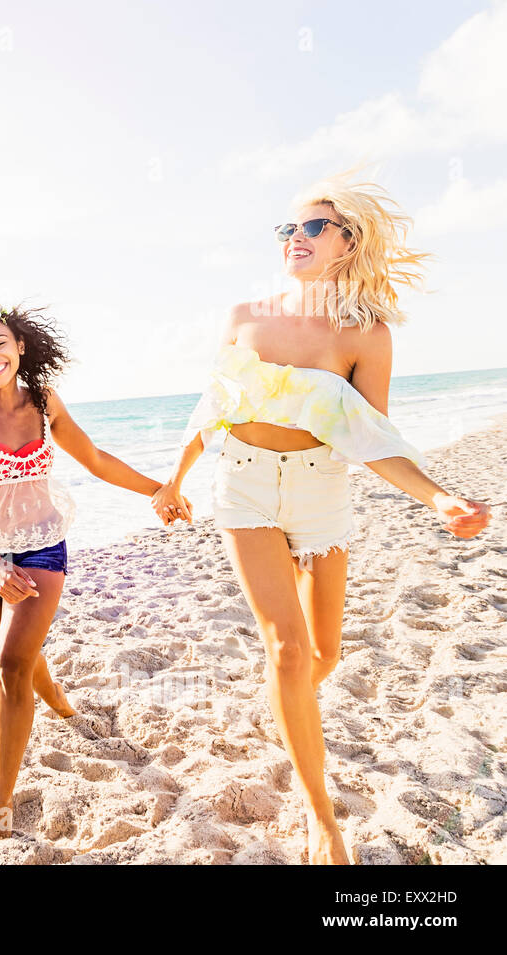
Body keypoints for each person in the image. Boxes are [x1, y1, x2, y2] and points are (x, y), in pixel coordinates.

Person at [151, 175, 492, 864]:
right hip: (242, 485)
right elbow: (213, 404)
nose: (295, 239)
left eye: (312, 228)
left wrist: (438, 498)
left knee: (323, 654)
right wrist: (175, 476)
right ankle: (321, 818)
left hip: (321, 489)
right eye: (287, 229)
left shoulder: (367, 333)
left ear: (348, 242)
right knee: (288, 649)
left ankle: (285, 706)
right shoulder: (245, 314)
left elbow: (373, 438)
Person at [0, 304, 174, 855]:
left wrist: (157, 490)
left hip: (41, 545)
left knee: (10, 664)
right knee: (21, 653)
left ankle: (0, 807)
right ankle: (67, 709)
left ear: (20, 345)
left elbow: (93, 458)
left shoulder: (44, 402)